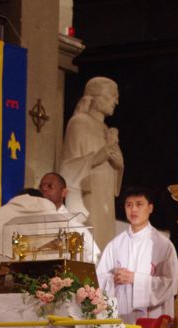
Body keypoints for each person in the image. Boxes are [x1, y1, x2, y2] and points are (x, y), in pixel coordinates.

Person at [95, 186, 178, 325]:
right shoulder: (115, 245)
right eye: (129, 205)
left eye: (139, 204)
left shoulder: (163, 245)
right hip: (121, 315)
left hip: (151, 316)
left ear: (150, 208)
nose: (133, 210)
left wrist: (135, 279)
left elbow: (170, 283)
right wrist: (113, 279)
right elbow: (99, 280)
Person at [60, 77, 124, 248]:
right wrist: (96, 158)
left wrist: (118, 164)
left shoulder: (105, 129)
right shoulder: (79, 123)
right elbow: (68, 167)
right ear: (97, 97)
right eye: (112, 96)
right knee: (90, 241)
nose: (116, 102)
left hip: (105, 194)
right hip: (87, 194)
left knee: (106, 241)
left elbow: (116, 166)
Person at [38, 171, 100, 262]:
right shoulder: (30, 216)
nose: (44, 189)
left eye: (50, 186)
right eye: (41, 186)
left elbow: (92, 256)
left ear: (64, 192)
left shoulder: (72, 224)